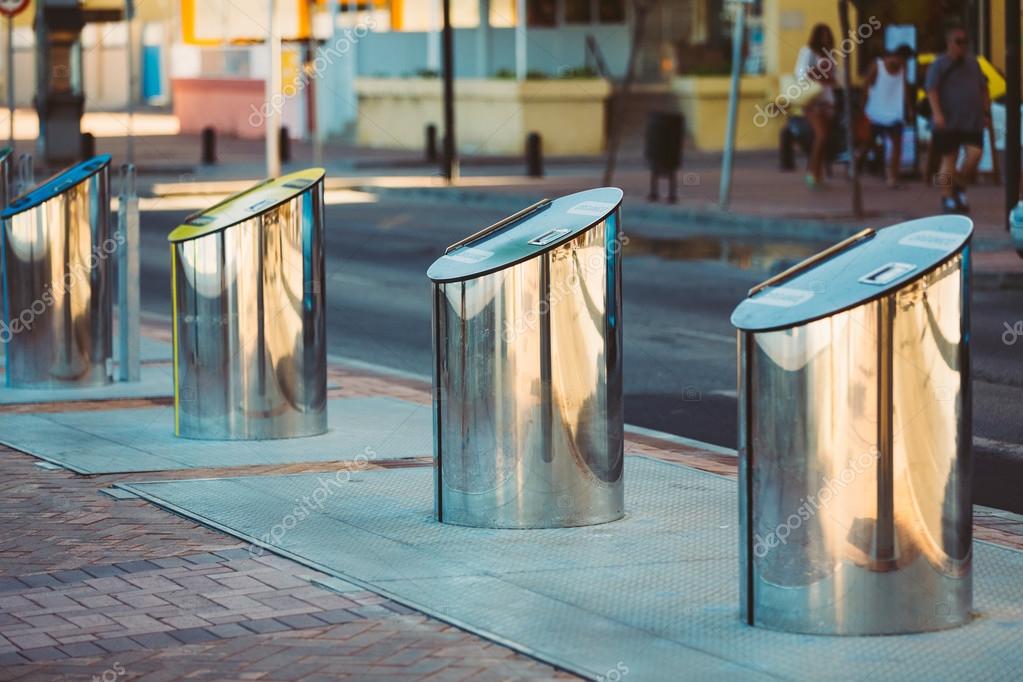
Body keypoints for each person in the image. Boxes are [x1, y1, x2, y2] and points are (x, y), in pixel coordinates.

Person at [926, 23, 990, 214]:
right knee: (949, 159)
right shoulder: (939, 64)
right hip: (948, 120)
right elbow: (932, 90)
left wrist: (986, 112)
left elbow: (983, 88)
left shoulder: (973, 63)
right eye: (958, 41)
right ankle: (946, 196)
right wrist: (937, 114)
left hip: (972, 120)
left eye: (965, 42)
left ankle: (959, 186)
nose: (962, 46)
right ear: (949, 43)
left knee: (975, 154)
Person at [795, 24, 843, 189]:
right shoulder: (808, 52)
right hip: (812, 100)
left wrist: (825, 76)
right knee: (821, 135)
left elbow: (834, 79)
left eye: (827, 35)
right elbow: (801, 74)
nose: (825, 38)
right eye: (822, 35)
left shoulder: (830, 55)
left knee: (824, 138)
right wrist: (820, 72)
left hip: (827, 100)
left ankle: (818, 172)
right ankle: (811, 173)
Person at [863, 45, 913, 188]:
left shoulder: (903, 68)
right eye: (903, 59)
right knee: (867, 142)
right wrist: (864, 106)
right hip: (876, 111)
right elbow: (867, 84)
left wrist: (908, 108)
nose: (903, 63)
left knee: (897, 144)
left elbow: (904, 88)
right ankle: (856, 165)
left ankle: (893, 177)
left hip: (894, 112)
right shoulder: (878, 65)